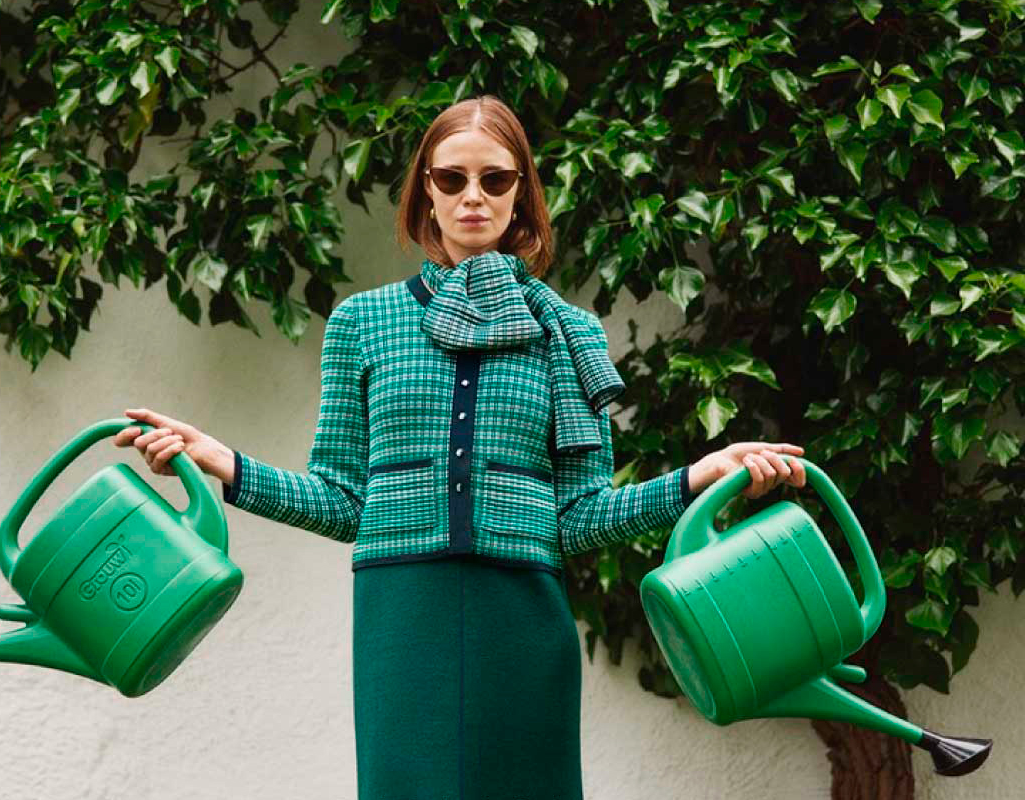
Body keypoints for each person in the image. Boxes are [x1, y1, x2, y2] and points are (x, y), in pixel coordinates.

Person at [114, 94, 807, 799]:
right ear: (426, 190)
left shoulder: (569, 334)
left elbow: (581, 517)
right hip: (400, 615)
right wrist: (223, 462)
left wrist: (699, 477)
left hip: (522, 617)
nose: (473, 196)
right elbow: (345, 502)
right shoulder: (362, 322)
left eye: (494, 179)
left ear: (521, 193)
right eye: (452, 178)